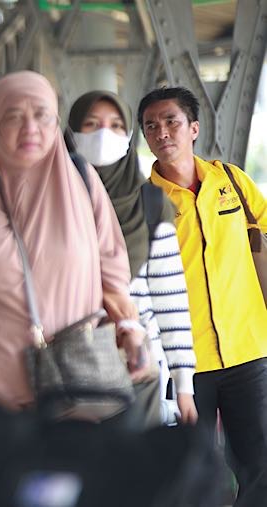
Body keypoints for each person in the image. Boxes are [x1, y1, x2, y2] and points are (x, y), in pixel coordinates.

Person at [0, 72, 147, 436]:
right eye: (14, 116)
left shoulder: (81, 182)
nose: (30, 127)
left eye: (42, 115)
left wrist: (128, 326)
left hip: (73, 385)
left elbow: (110, 267)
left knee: (70, 488)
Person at [140, 86, 267, 505]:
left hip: (250, 350)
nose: (162, 132)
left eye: (171, 121)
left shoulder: (231, 181)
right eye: (151, 126)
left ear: (194, 128)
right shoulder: (144, 202)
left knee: (260, 465)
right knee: (188, 469)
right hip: (185, 364)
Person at [66, 91, 198, 427]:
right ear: (71, 134)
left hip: (137, 367)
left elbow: (170, 300)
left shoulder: (151, 204)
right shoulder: (50, 203)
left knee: (139, 473)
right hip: (65, 365)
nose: (102, 135)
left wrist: (184, 385)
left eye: (114, 125)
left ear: (127, 137)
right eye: (91, 124)